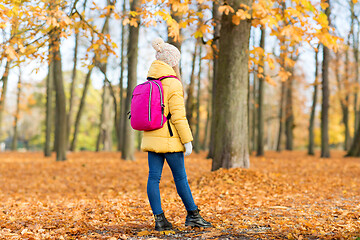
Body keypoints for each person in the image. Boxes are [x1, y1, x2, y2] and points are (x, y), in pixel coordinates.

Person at [141, 38, 212, 231]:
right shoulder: (173, 83)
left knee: (153, 178)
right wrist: (187, 141)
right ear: (172, 62)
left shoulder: (149, 82)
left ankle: (159, 220)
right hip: (171, 139)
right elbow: (179, 117)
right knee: (180, 178)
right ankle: (193, 216)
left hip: (151, 137)